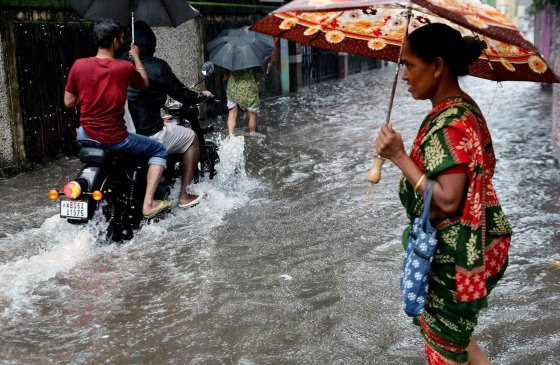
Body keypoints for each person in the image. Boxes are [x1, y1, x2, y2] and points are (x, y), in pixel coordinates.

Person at [375, 23, 512, 364]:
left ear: (436, 66)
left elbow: (450, 199)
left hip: (453, 255)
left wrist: (399, 157)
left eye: (410, 65)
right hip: (468, 244)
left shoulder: (452, 121)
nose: (404, 76)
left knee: (445, 349)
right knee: (458, 342)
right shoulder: (463, 110)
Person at [64, 19, 171, 219]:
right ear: (115, 41)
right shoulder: (124, 68)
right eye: (122, 38)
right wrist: (136, 57)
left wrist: (90, 93)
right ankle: (148, 204)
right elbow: (144, 84)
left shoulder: (79, 65)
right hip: (113, 137)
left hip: (84, 135)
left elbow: (69, 102)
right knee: (159, 149)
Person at [125, 21, 213, 208]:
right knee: (191, 138)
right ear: (152, 43)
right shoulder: (158, 67)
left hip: (124, 134)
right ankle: (185, 194)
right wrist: (201, 95)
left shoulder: (118, 67)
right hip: (150, 133)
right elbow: (183, 94)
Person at [224, 66, 262, 135]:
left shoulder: (231, 60)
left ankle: (231, 136)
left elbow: (225, 76)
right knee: (252, 115)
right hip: (249, 90)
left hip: (233, 90)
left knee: (232, 114)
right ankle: (252, 136)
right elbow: (258, 77)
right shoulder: (253, 60)